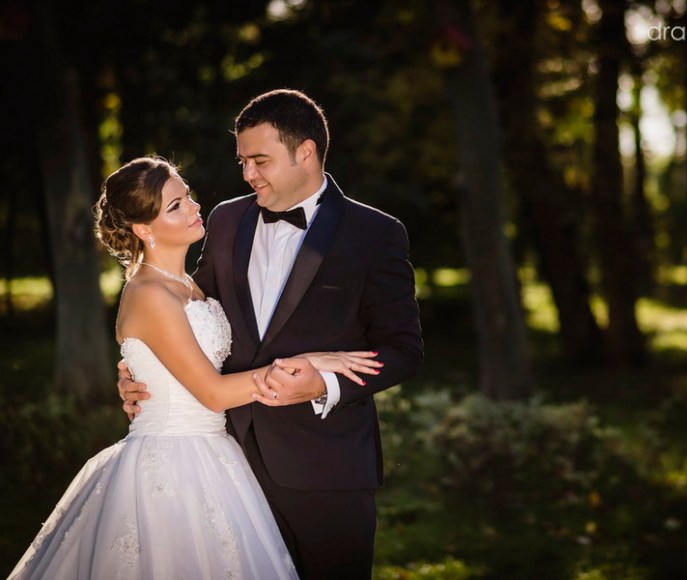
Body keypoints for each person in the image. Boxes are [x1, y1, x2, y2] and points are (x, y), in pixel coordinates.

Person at [9, 156, 381, 579]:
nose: (193, 208)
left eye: (187, 197)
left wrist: (135, 371)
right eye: (175, 206)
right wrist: (310, 361)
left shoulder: (189, 283)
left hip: (218, 454)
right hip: (172, 464)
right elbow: (214, 393)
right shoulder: (149, 292)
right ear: (142, 229)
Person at [119, 89, 424, 579]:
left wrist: (326, 383)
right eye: (242, 161)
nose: (247, 174)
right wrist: (139, 371)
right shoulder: (225, 219)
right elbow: (191, 312)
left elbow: (404, 350)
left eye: (260, 160)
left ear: (305, 152)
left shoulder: (375, 233)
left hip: (328, 470)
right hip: (224, 469)